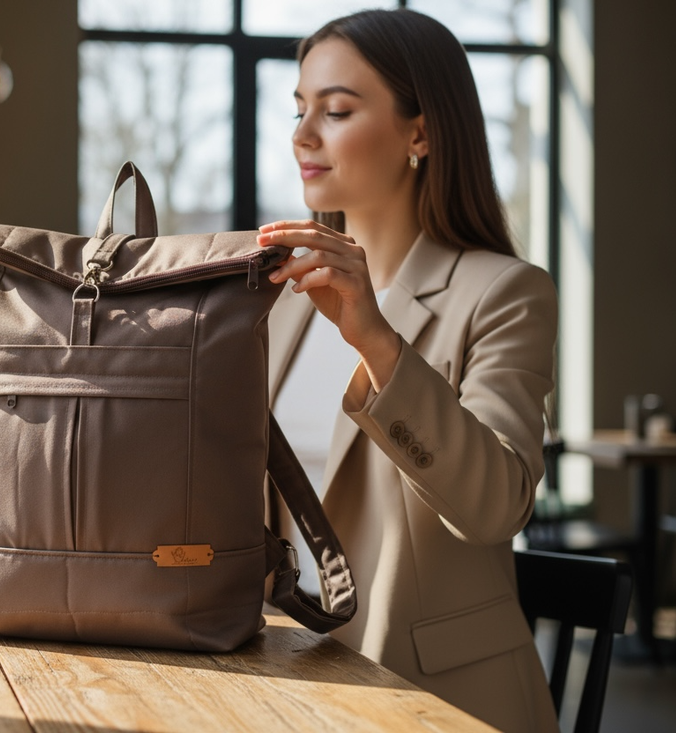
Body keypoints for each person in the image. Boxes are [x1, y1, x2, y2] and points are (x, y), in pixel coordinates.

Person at [259, 9, 558, 732]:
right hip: (281, 678)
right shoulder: (284, 301)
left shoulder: (503, 291)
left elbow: (497, 504)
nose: (303, 135)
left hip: (430, 699)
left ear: (419, 133)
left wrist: (380, 344)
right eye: (301, 110)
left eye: (335, 110)